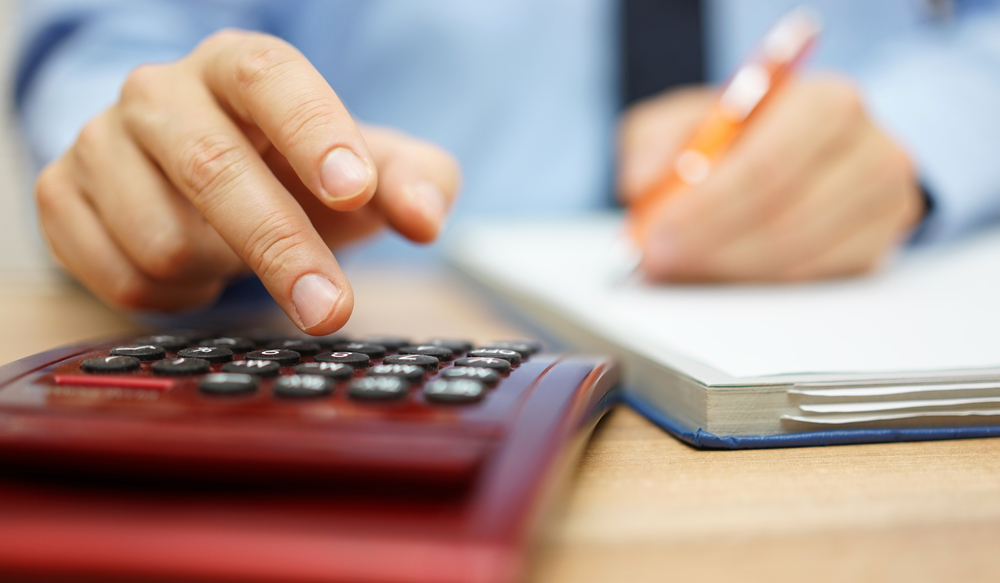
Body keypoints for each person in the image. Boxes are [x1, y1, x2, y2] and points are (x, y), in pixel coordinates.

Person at [14, 0, 1000, 335]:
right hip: (385, 338)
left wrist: (915, 138)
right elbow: (112, 42)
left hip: (845, 321)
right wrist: (156, 160)